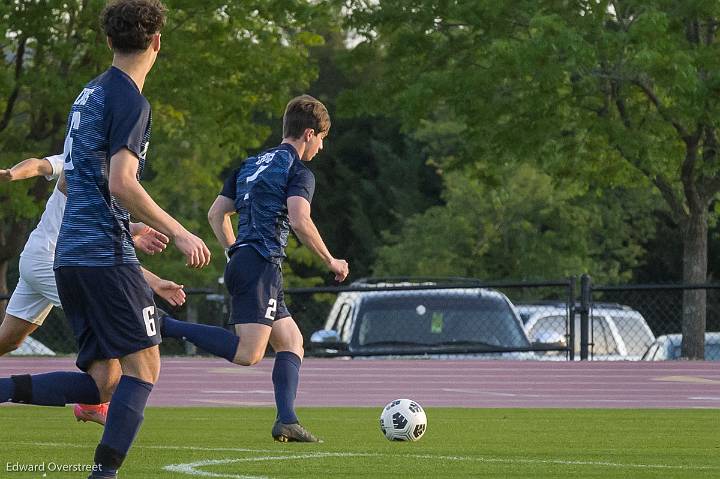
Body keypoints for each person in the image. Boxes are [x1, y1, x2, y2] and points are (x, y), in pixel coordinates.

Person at [0, 2, 210, 478]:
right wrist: (179, 231)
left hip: (70, 254)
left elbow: (73, 180)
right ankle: (105, 474)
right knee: (144, 371)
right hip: (101, 255)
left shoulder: (88, 94)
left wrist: (130, 224)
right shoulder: (132, 100)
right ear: (157, 42)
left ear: (108, 41)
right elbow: (121, 182)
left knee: (104, 381)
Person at [161, 95, 349, 442]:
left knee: (291, 340)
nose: (321, 148)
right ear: (309, 134)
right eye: (322, 139)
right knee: (249, 354)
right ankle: (166, 325)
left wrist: (235, 251)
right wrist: (331, 260)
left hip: (249, 262)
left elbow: (216, 214)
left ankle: (287, 420)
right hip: (261, 265)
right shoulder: (298, 171)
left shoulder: (250, 164)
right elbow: (299, 219)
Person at [0, 154, 186, 425]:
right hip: (52, 260)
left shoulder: (111, 174)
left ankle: (93, 401)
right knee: (111, 323)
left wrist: (131, 231)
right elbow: (39, 165)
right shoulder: (83, 157)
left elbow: (104, 241)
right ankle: (92, 403)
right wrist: (11, 174)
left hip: (42, 257)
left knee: (9, 340)